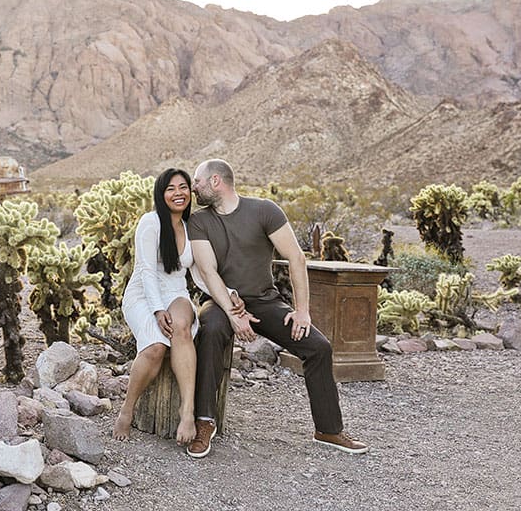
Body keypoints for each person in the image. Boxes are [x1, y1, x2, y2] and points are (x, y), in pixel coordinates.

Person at [184, 158, 369, 458]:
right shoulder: (199, 221)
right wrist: (234, 314)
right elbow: (208, 272)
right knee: (212, 328)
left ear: (216, 181)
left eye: (198, 182)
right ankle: (205, 421)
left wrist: (302, 310)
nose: (194, 188)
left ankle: (328, 429)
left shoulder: (264, 211)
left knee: (318, 347)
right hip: (222, 300)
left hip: (265, 301)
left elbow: (296, 257)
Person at [112, 168, 242, 445]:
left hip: (176, 293)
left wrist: (228, 294)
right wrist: (158, 309)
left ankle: (187, 411)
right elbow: (146, 271)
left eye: (183, 187)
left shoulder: (189, 226)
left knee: (181, 326)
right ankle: (127, 408)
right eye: (171, 188)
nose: (178, 193)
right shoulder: (150, 222)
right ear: (161, 194)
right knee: (157, 348)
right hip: (143, 295)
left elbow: (199, 274)